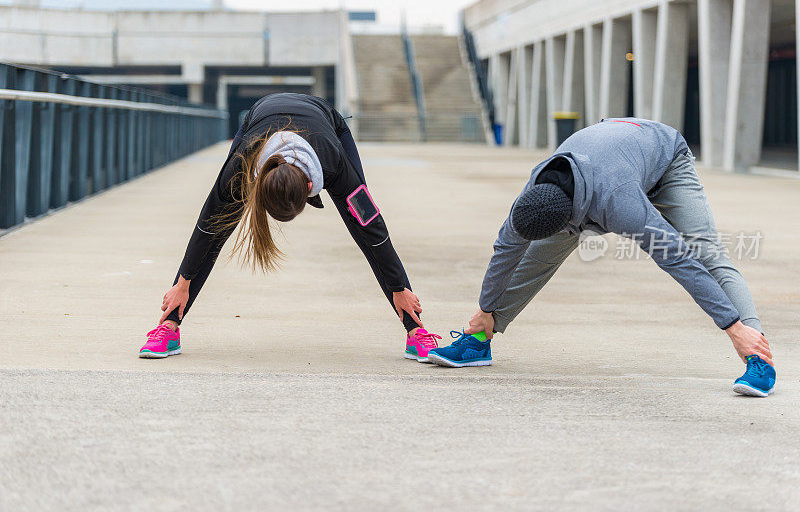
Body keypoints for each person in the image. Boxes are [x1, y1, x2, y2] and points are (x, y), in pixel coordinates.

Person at [426, 118, 776, 397]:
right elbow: (506, 251)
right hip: (609, 157)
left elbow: (677, 259)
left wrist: (732, 327)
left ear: (573, 218)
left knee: (706, 254)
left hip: (664, 159)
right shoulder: (534, 197)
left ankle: (757, 354)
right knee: (536, 258)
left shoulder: (619, 204)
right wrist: (485, 309)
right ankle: (480, 340)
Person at [138, 93, 441, 361]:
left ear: (311, 187)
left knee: (362, 220)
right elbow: (207, 227)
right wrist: (183, 283)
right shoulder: (243, 165)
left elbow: (373, 231)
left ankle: (415, 332)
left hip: (326, 122)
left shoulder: (333, 163)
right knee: (220, 225)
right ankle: (168, 328)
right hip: (260, 117)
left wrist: (400, 287)